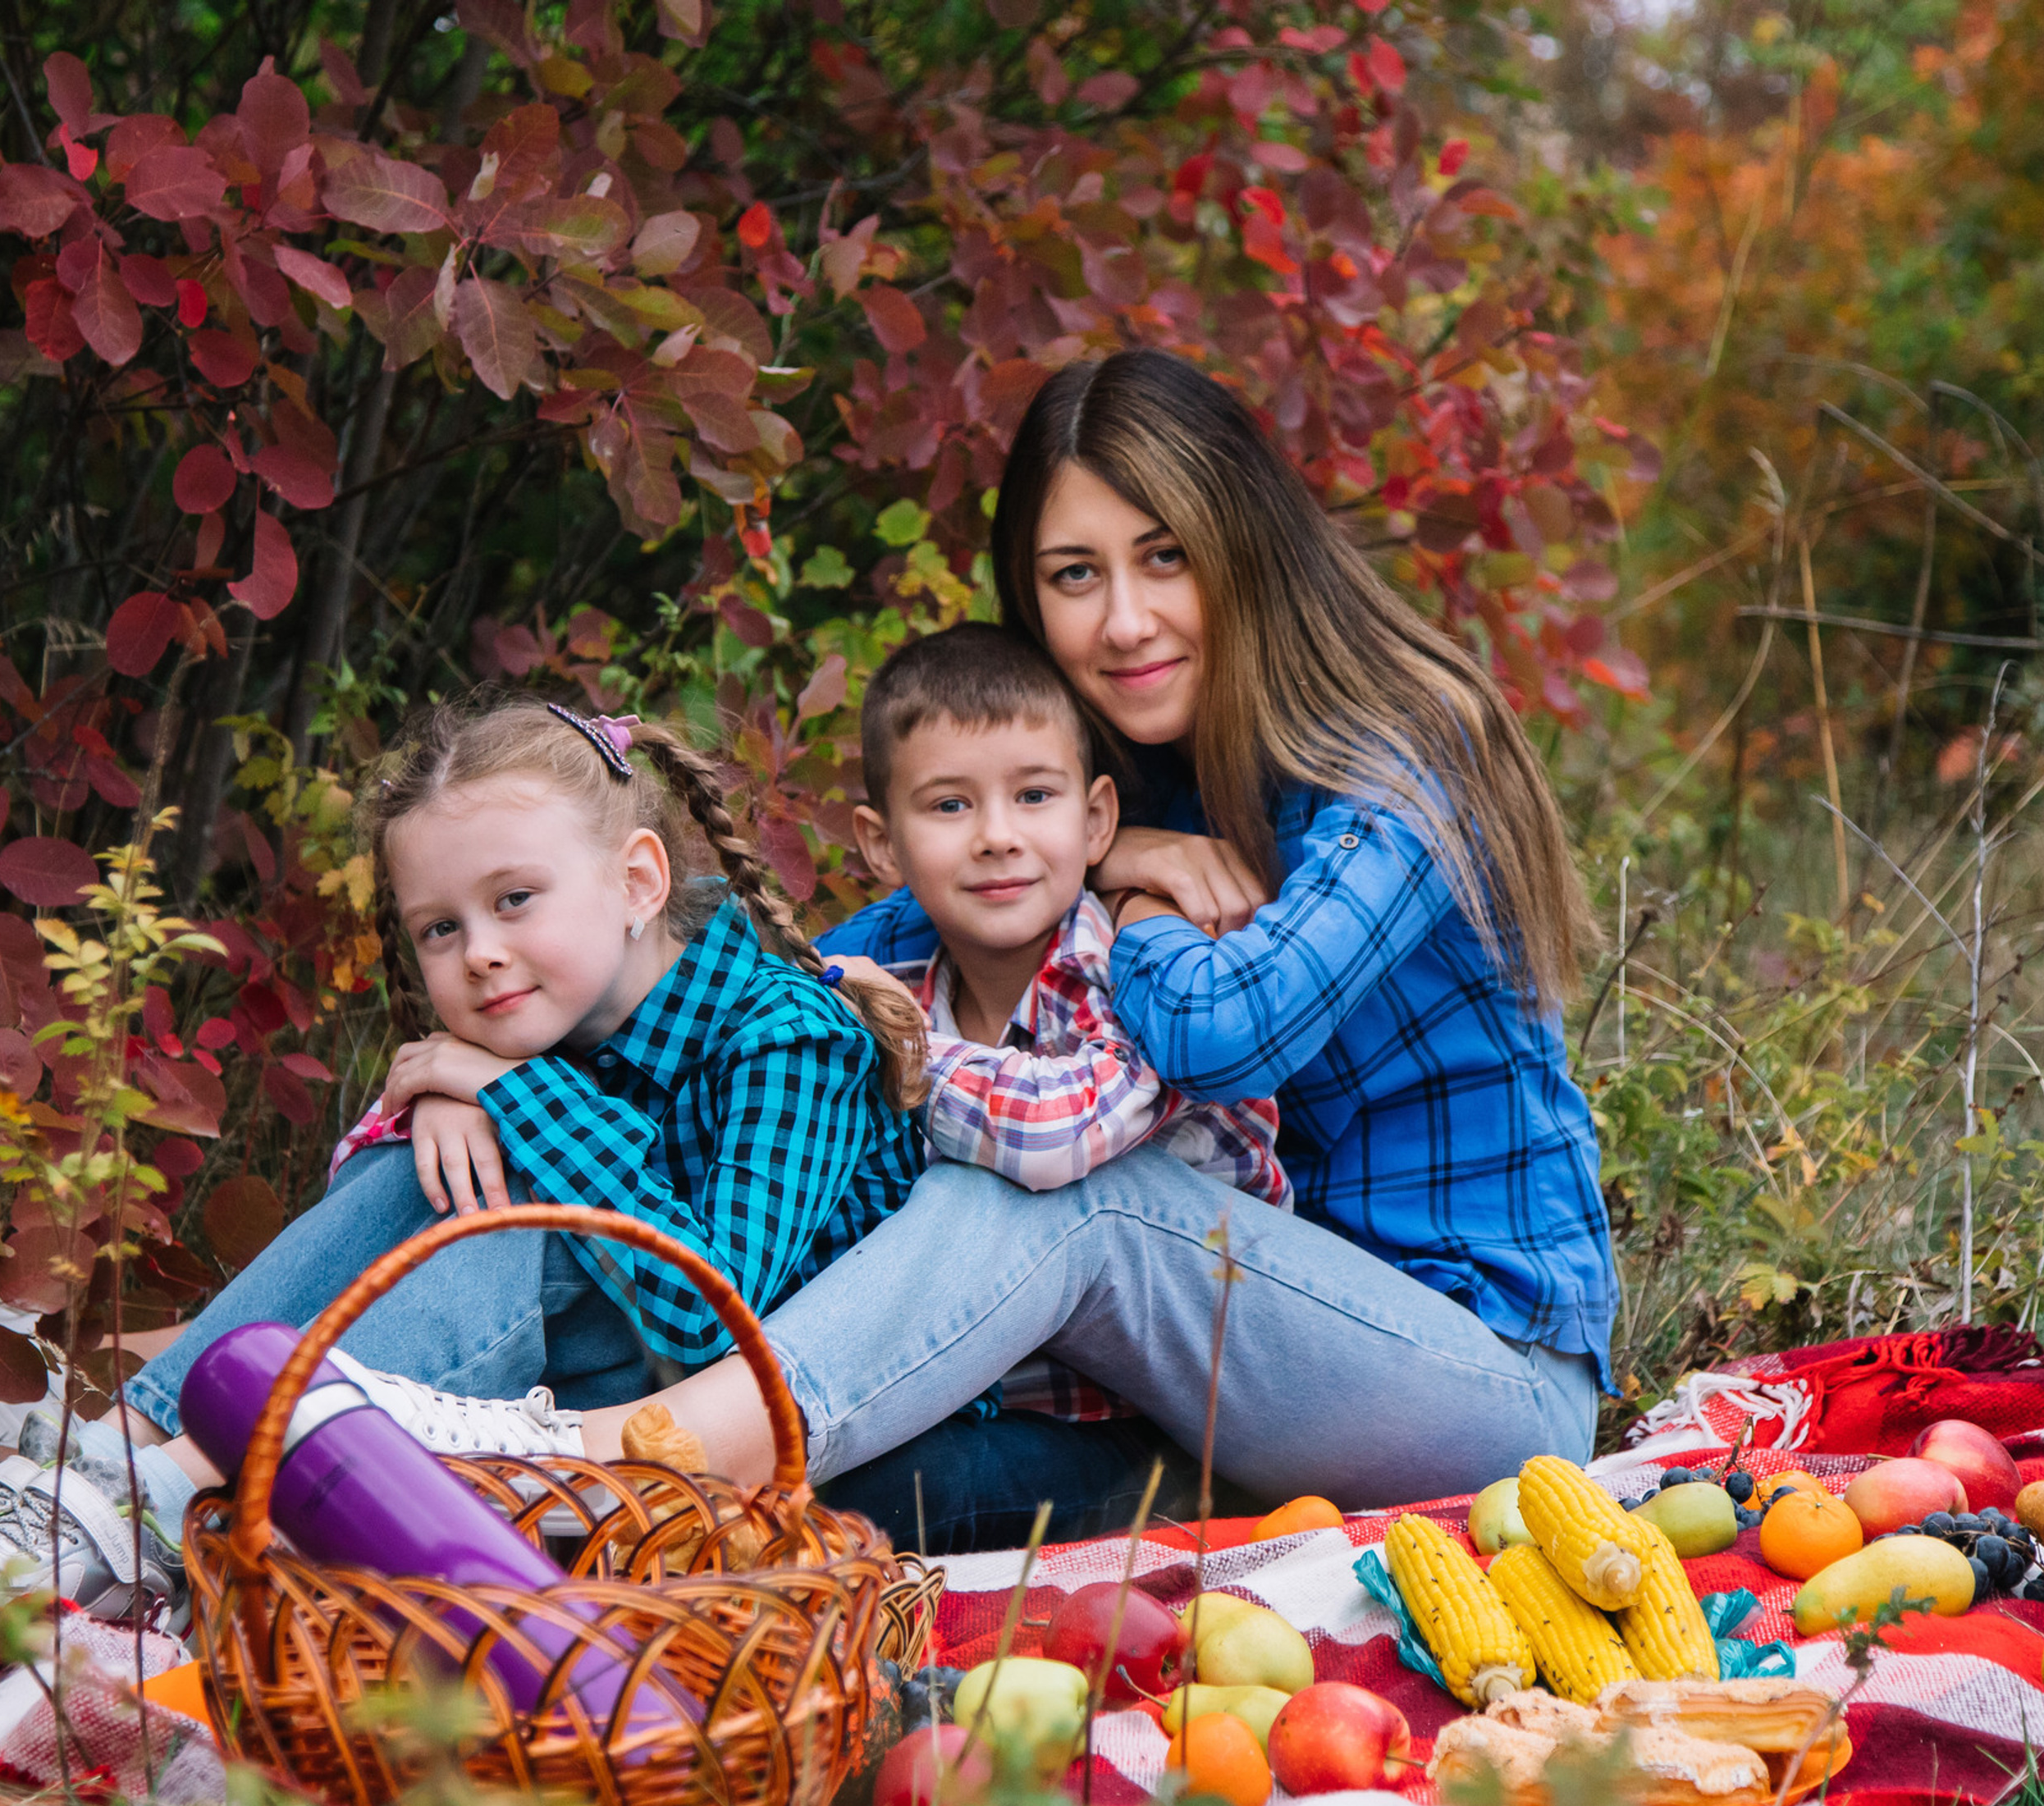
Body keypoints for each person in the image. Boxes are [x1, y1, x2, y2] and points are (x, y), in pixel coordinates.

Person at [569, 346, 1619, 1525]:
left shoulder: (1409, 750)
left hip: (1485, 1387)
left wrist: (1130, 895)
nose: (1124, 620)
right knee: (880, 1468)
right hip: (1225, 1372)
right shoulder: (1134, 771)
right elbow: (852, 954)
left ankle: (647, 1465)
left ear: (1244, 544)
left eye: (1164, 556)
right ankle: (365, 1421)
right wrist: (511, 1051)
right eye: (1076, 575)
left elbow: (1227, 1033)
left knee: (1081, 1193)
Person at [0, 694, 925, 1612]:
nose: (480, 952)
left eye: (514, 899)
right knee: (427, 1167)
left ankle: (181, 1491)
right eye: (441, 928)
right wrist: (441, 1106)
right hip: (527, 1383)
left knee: (509, 1221)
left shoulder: (788, 1033)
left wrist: (511, 1098)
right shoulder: (551, 1015)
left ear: (636, 883)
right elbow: (370, 1230)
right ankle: (106, 1469)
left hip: (700, 1434)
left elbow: (707, 1307)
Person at [809, 622, 1292, 1545]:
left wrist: (895, 1046)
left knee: (888, 1493)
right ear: (880, 844)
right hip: (975, 1392)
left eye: (1034, 796)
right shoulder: (899, 976)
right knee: (855, 1467)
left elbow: (1049, 1136)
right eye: (949, 807)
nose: (997, 838)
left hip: (1158, 1423)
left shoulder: (1137, 965)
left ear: (1096, 821)